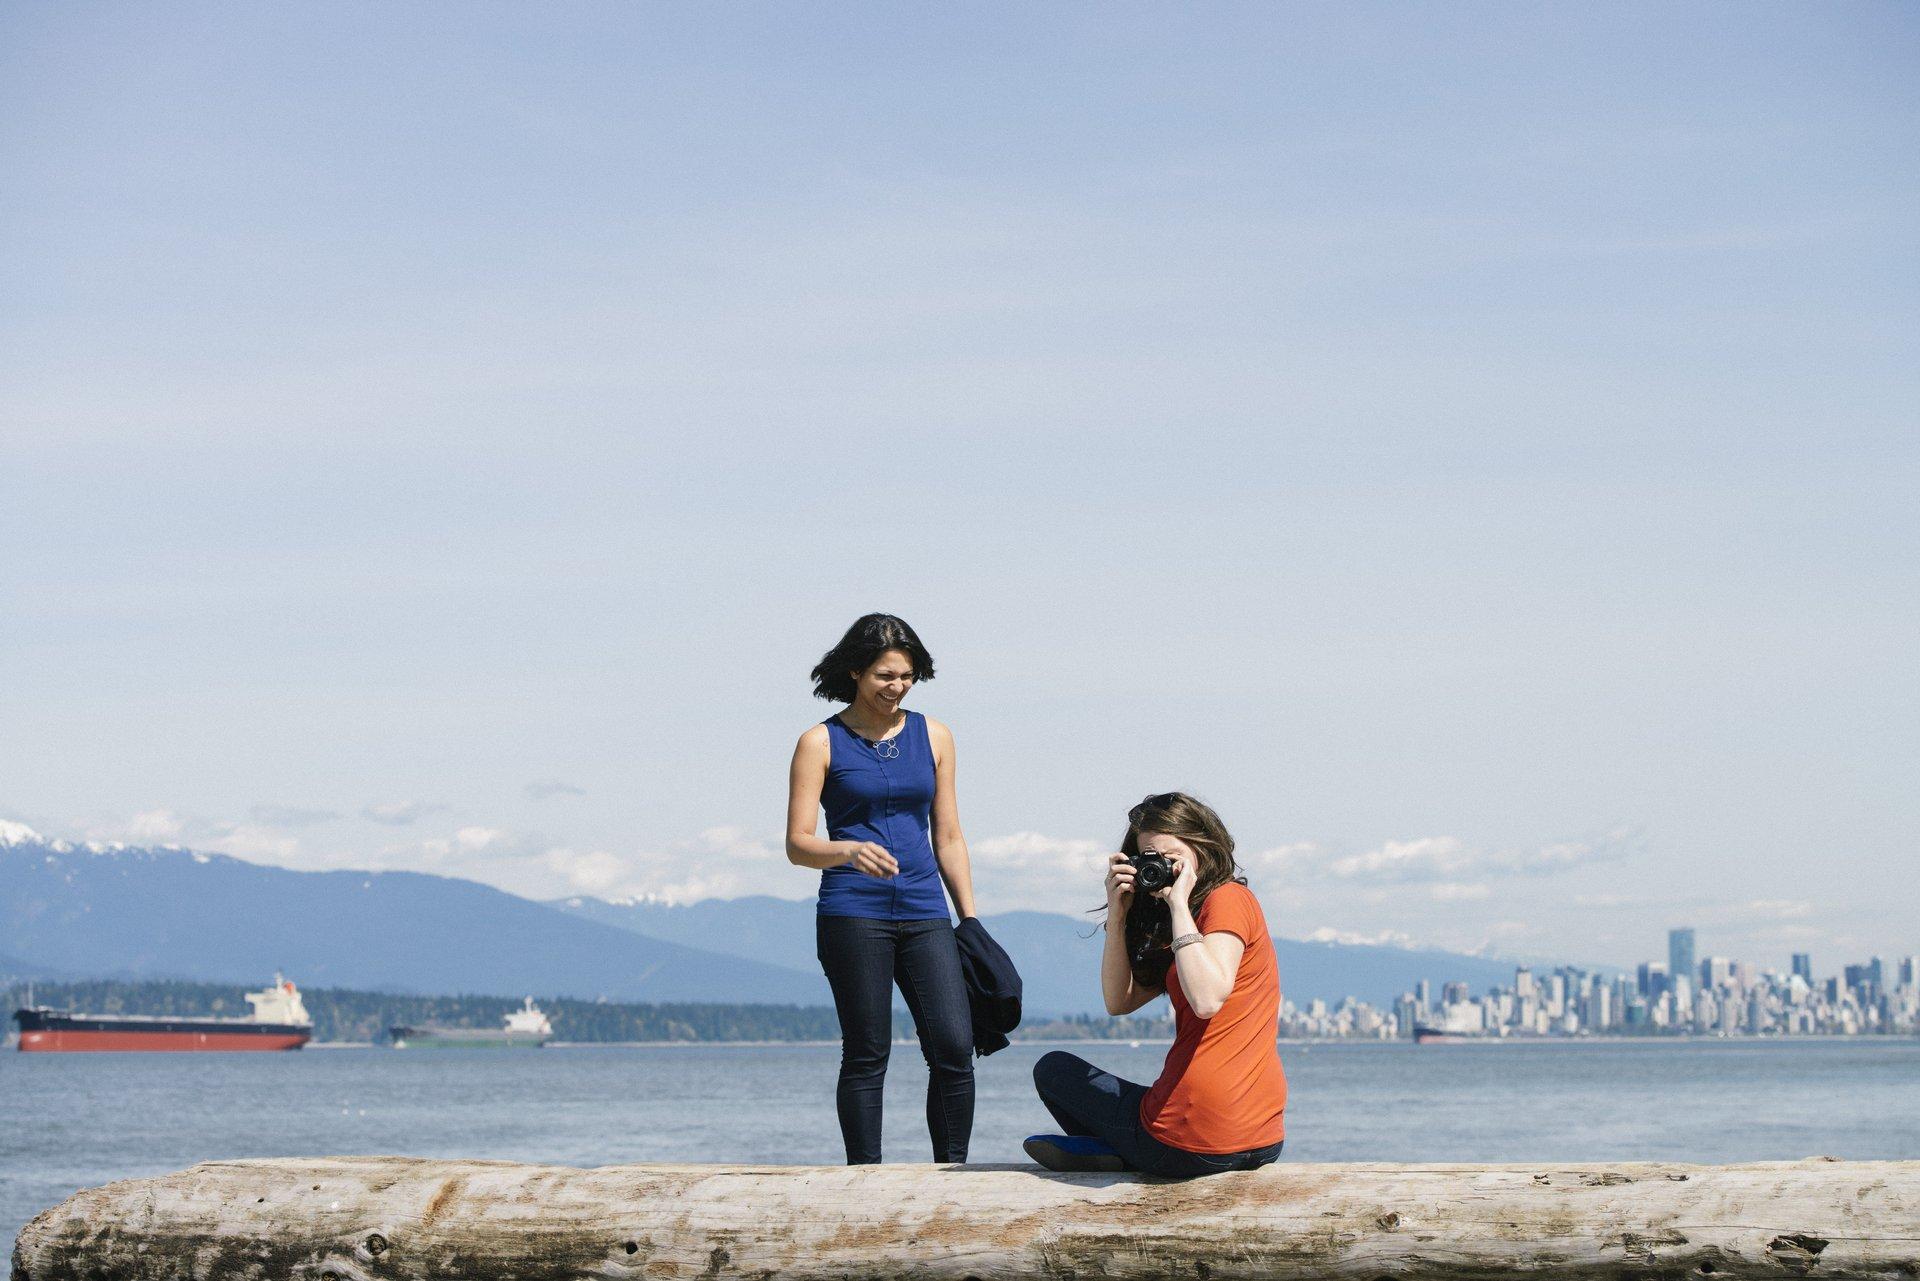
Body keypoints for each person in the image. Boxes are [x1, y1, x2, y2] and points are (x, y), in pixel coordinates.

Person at [785, 613, 980, 1164]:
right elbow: (798, 844)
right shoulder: (819, 742)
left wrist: (970, 920)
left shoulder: (934, 735)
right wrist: (846, 849)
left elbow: (949, 834)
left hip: (926, 909)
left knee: (952, 1046)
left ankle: (954, 1175)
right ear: (855, 672)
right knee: (868, 1052)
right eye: (884, 676)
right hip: (852, 912)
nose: (896, 688)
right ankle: (864, 1180)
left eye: (907, 677)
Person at [1026, 792, 1287, 1177]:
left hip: (1190, 1141)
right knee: (1061, 1070)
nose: (1160, 866)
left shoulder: (1228, 898)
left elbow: (1207, 999)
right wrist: (1117, 916)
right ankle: (1117, 1150)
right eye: (1148, 857)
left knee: (1053, 1071)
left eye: (1170, 856)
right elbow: (1119, 1001)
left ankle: (1116, 1152)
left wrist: (1179, 905)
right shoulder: (1189, 921)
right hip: (1261, 1139)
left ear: (1202, 847)